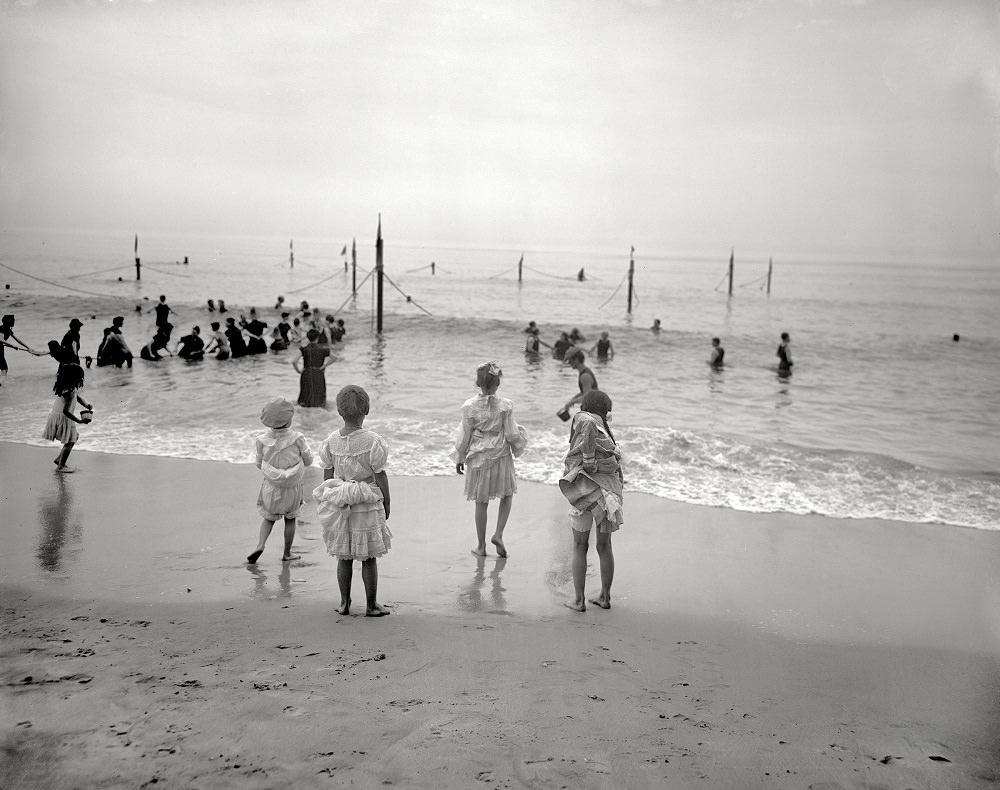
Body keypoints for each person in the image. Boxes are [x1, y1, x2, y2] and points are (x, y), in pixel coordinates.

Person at [313, 385, 392, 617]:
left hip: (341, 502)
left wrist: (329, 498)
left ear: (339, 412)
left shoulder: (331, 441)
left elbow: (328, 473)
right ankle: (371, 605)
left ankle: (344, 603)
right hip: (366, 502)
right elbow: (380, 474)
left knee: (344, 556)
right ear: (366, 411)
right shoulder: (373, 441)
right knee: (368, 557)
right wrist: (387, 501)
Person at [452, 361, 527, 558]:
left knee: (481, 501)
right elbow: (511, 434)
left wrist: (459, 457)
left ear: (478, 383)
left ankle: (481, 546)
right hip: (501, 455)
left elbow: (464, 435)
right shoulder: (506, 406)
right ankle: (499, 534)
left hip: (478, 457)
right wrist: (520, 443)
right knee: (507, 494)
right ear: (498, 384)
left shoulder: (468, 407)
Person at [559, 389, 623, 612]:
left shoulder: (584, 421)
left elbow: (579, 449)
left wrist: (586, 461)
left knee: (580, 545)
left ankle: (578, 600)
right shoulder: (606, 433)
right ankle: (605, 597)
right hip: (607, 495)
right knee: (605, 546)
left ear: (585, 408)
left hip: (585, 490)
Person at [246, 398, 314, 565]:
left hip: (272, 487)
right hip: (292, 487)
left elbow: (258, 463)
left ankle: (260, 545)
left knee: (268, 518)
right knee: (290, 519)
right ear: (289, 420)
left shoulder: (261, 440)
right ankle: (287, 553)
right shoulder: (297, 438)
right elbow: (308, 460)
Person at [42, 362, 94, 473]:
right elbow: (66, 411)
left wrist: (86, 404)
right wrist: (79, 421)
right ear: (74, 377)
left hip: (56, 415)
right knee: (71, 441)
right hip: (64, 417)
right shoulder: (69, 392)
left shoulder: (68, 388)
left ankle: (59, 459)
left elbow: (77, 397)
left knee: (74, 437)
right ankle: (61, 466)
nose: (82, 379)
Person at [293, 329, 331, 407]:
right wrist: (324, 366)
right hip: (318, 373)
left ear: (308, 337)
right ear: (317, 338)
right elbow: (335, 358)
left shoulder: (304, 349)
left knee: (305, 396)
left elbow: (294, 361)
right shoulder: (322, 349)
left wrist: (299, 371)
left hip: (306, 372)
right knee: (319, 396)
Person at [1, 314, 41, 384]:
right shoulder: (3, 328)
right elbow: (0, 339)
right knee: (4, 369)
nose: (14, 322)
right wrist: (12, 345)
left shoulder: (7, 329)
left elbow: (18, 340)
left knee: (4, 369)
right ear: (9, 322)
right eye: (13, 320)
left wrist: (28, 348)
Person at [562, 348, 598, 413]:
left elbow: (587, 397)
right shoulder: (584, 372)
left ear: (576, 360)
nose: (569, 363)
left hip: (593, 411)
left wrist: (572, 402)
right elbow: (585, 392)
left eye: (570, 361)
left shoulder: (585, 376)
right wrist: (572, 400)